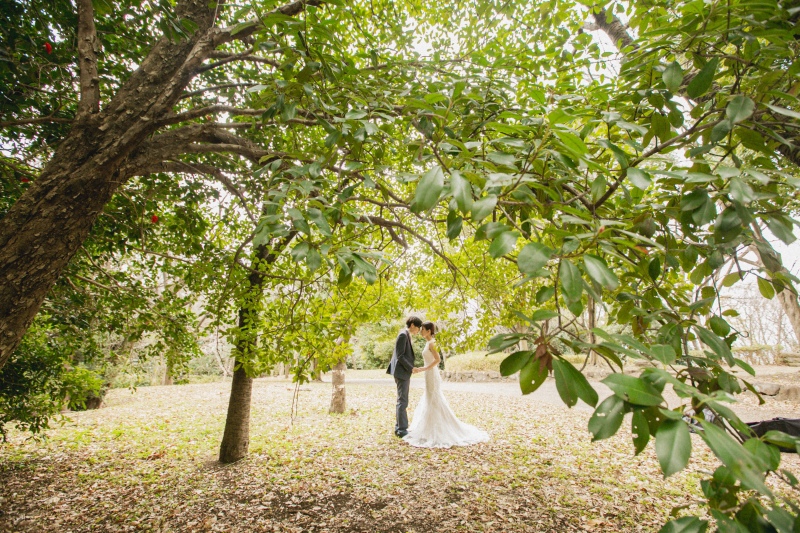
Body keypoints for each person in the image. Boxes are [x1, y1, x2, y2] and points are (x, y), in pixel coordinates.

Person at [403, 321, 489, 448]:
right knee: (430, 398)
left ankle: (438, 428)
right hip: (428, 374)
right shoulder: (428, 343)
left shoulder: (432, 343)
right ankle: (429, 426)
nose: (421, 331)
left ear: (428, 331)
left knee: (434, 399)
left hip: (431, 374)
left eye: (423, 329)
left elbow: (438, 360)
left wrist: (423, 369)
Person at [386, 315, 422, 437]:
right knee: (402, 400)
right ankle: (401, 429)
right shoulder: (403, 335)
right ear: (412, 325)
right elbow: (400, 355)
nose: (418, 331)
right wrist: (411, 368)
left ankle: (399, 427)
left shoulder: (406, 335)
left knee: (402, 399)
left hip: (403, 372)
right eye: (418, 328)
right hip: (401, 372)